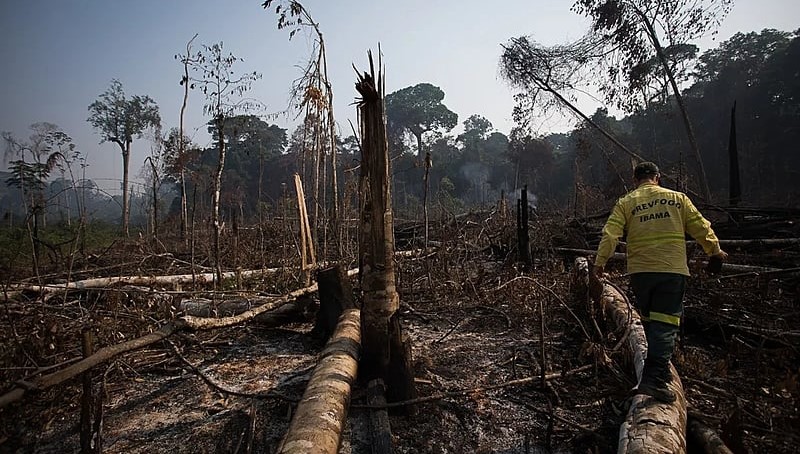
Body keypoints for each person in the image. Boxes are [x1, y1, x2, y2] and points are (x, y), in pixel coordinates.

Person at [592, 161, 728, 403]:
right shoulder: (677, 199)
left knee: (650, 321)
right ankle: (653, 380)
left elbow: (610, 234)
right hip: (670, 270)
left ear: (635, 180)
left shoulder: (627, 202)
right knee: (665, 324)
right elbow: (700, 226)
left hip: (640, 273)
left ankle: (658, 373)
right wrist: (714, 251)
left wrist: (599, 263)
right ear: (657, 177)